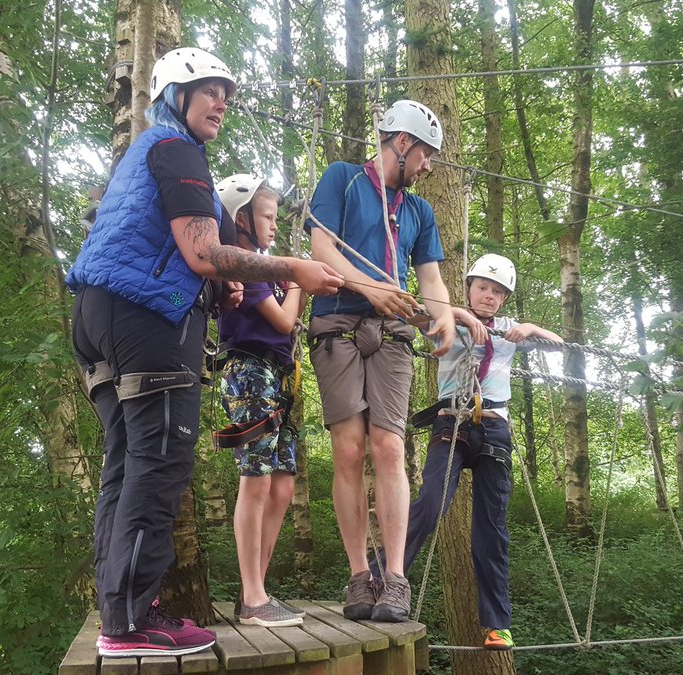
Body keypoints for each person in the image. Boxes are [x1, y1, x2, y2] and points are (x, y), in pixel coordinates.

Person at [65, 48, 343, 658]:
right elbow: (200, 251)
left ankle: (121, 610)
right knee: (159, 460)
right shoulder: (178, 150)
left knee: (127, 462)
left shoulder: (143, 156)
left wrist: (219, 284)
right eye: (208, 89)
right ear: (174, 95)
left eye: (227, 92)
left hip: (98, 317)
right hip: (145, 323)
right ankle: (133, 620)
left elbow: (178, 254)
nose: (222, 101)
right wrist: (291, 266)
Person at [306, 99, 457, 622]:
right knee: (348, 449)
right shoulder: (343, 179)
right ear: (402, 142)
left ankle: (394, 578)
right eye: (426, 155)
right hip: (337, 325)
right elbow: (321, 247)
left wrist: (445, 318)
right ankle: (358, 576)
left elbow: (432, 279)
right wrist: (371, 288)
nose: (429, 167)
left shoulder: (418, 210)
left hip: (393, 331)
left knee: (389, 445)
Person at [374, 253, 562, 649]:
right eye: (482, 288)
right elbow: (410, 314)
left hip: (494, 429)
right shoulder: (448, 319)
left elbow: (560, 346)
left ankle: (497, 625)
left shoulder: (510, 329)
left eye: (497, 292)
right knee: (430, 502)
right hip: (452, 422)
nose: (489, 297)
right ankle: (382, 582)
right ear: (469, 288)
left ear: (505, 299)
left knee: (491, 529)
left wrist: (529, 328)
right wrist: (455, 312)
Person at [212, 174, 305, 627]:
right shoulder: (246, 267)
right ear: (242, 219)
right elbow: (285, 322)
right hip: (249, 370)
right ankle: (252, 595)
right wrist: (300, 280)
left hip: (277, 378)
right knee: (257, 479)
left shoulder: (265, 268)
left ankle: (258, 590)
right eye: (266, 216)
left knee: (282, 483)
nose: (273, 225)